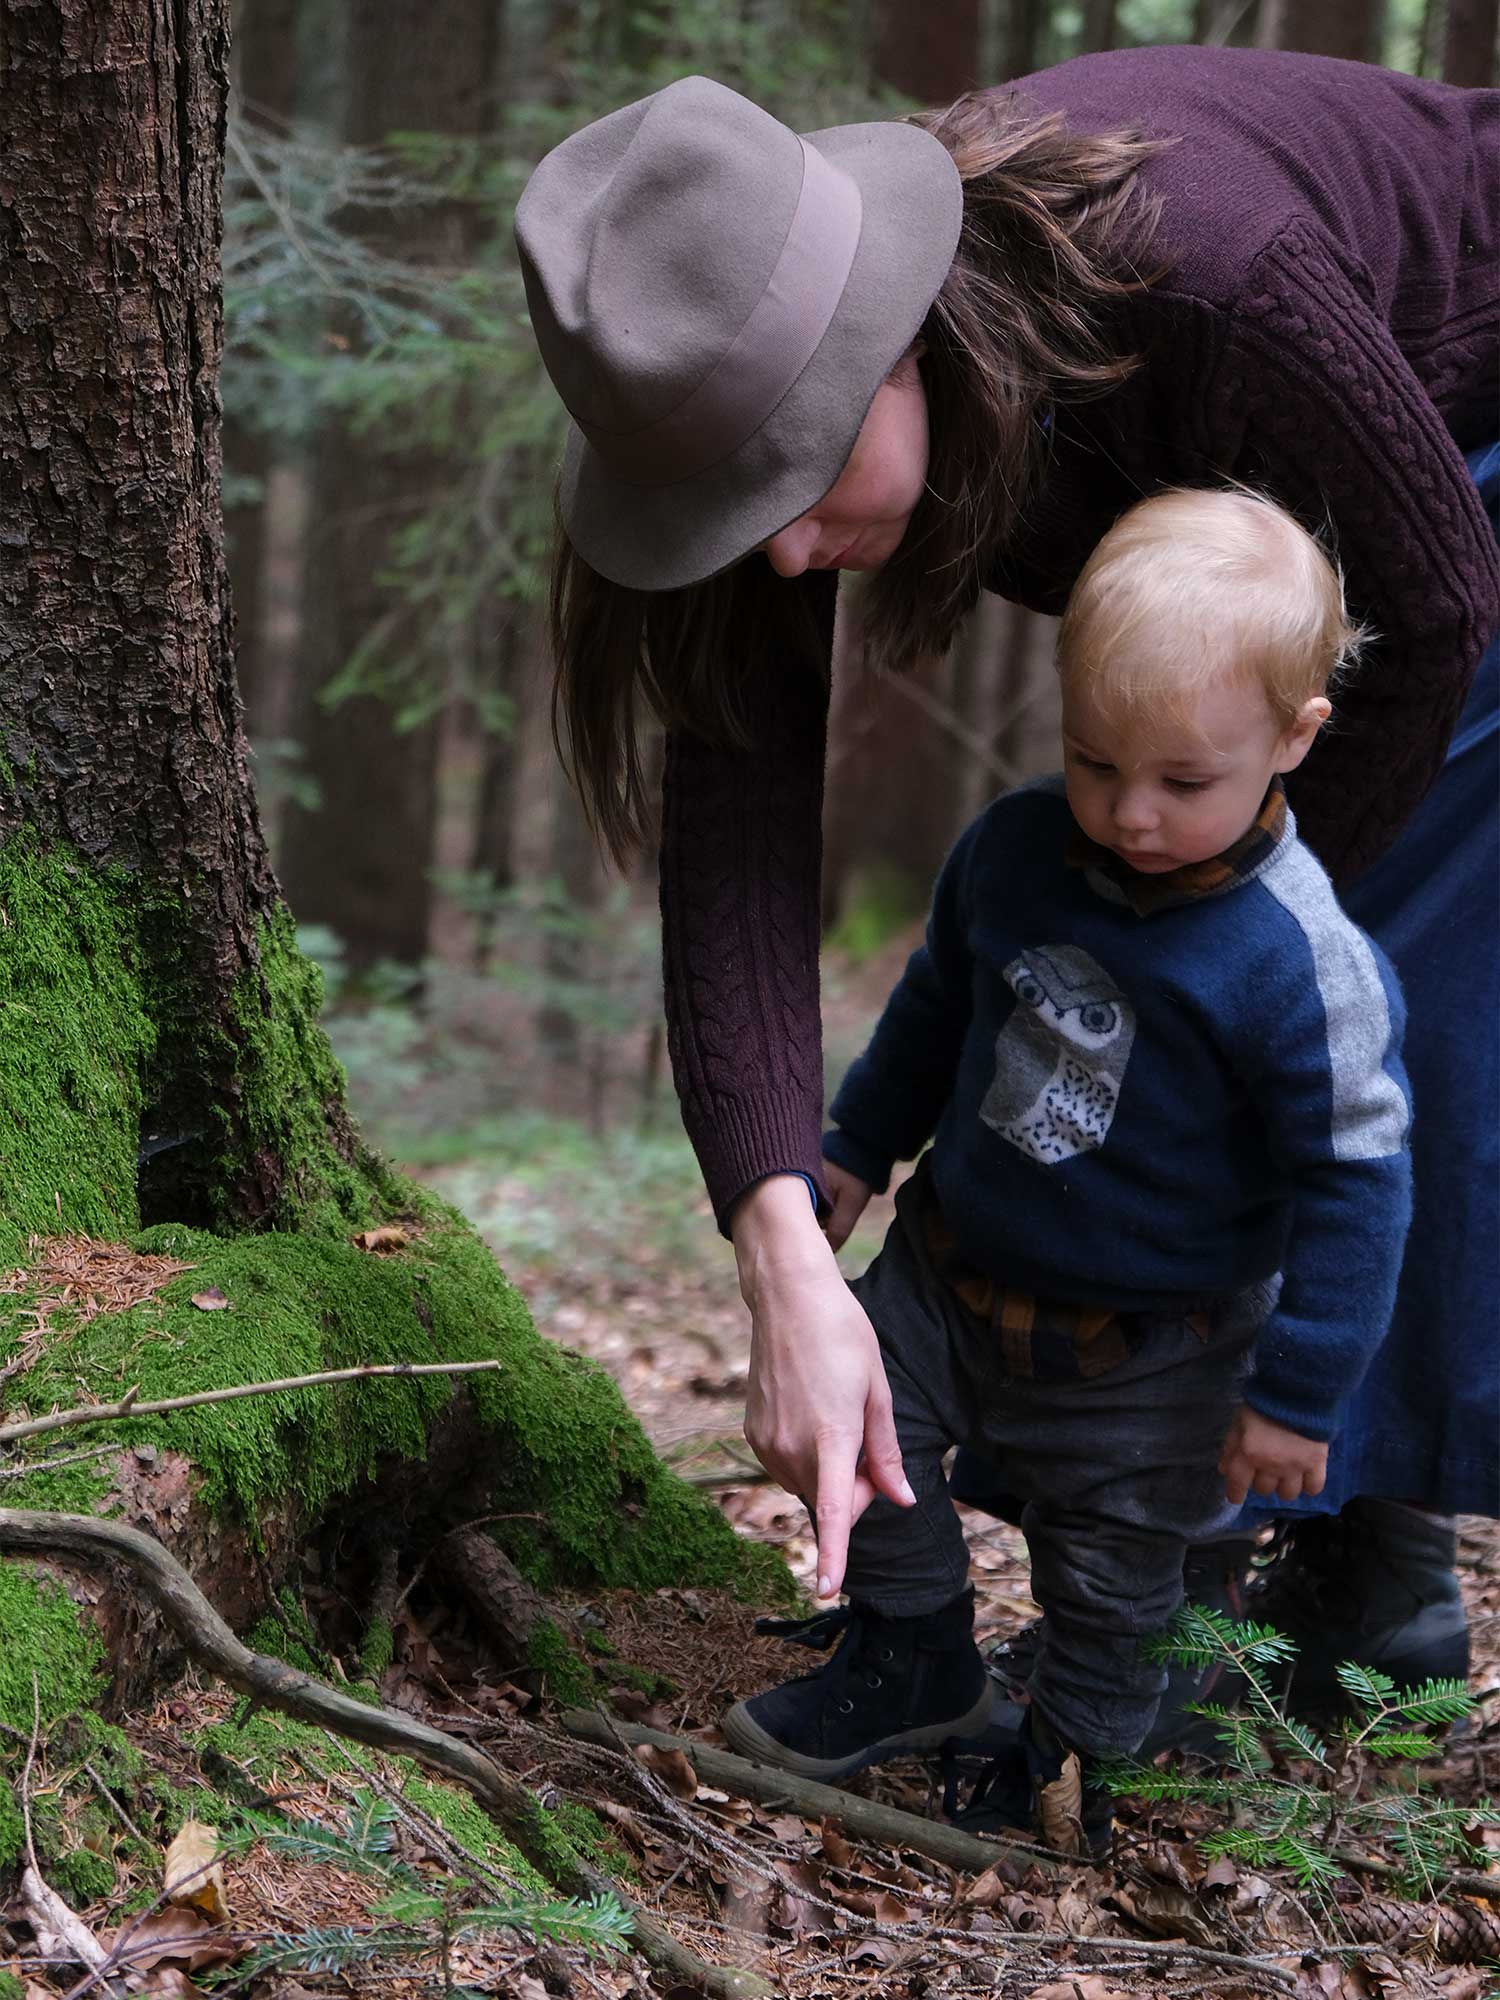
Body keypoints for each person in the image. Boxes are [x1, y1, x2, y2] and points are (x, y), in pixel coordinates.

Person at [515, 47, 1499, 1728]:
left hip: (1455, 480)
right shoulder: (785, 424)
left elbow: (1436, 601)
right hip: (1294, 530)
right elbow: (736, 839)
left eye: (793, 491)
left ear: (900, 349)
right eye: (721, 510)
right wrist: (779, 1238)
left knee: (1343, 1031)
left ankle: (1296, 1572)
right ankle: (1339, 1560)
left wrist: (1224, 958)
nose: (774, 556)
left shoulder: (1209, 282)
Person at [713, 485, 1410, 1846]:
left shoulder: (1302, 969)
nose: (1129, 813)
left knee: (1116, 1575)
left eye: (1181, 781)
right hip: (948, 1270)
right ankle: (911, 1650)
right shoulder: (1020, 848)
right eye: (1097, 761)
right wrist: (856, 1143)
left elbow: (1357, 1185)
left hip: (1156, 1348)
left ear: (1293, 738)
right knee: (857, 1426)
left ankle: (1070, 1764)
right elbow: (936, 1006)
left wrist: (1299, 1392)